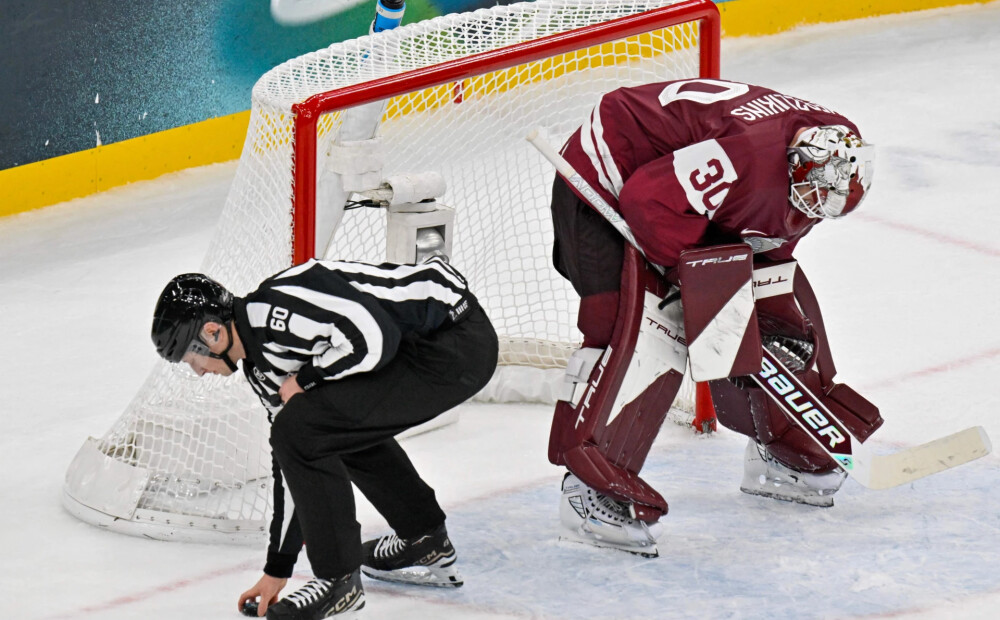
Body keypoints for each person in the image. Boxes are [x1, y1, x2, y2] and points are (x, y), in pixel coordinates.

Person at [547, 78, 883, 556]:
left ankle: (780, 442)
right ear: (795, 166)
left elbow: (774, 225)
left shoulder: (831, 153)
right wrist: (700, 281)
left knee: (774, 307)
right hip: (610, 175)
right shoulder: (747, 156)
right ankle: (590, 488)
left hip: (679, 191)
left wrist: (751, 305)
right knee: (627, 322)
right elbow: (648, 202)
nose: (811, 212)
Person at [150, 255, 498, 619]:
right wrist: (278, 568)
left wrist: (305, 380)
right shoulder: (262, 368)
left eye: (192, 359)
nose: (200, 372)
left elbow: (375, 338)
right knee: (320, 427)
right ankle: (425, 540)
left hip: (454, 340)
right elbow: (292, 461)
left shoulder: (274, 311)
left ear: (212, 332)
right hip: (426, 348)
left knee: (308, 424)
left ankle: (338, 583)